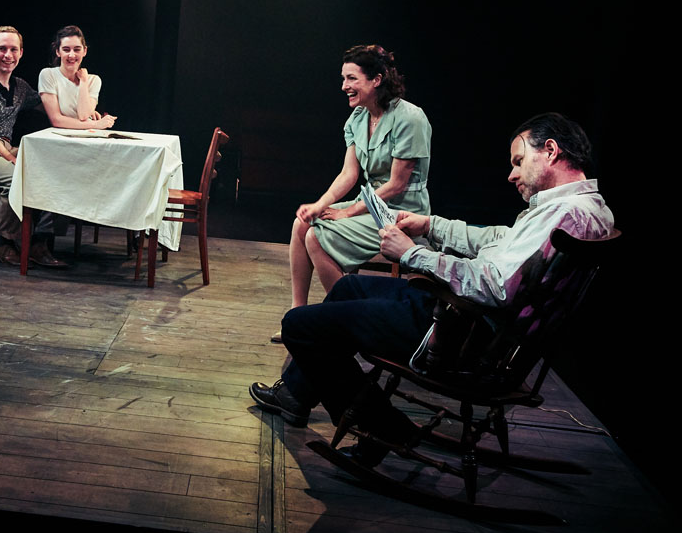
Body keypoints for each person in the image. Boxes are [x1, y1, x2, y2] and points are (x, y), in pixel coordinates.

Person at [250, 112, 614, 465]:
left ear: (550, 151)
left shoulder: (565, 215)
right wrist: (429, 226)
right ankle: (296, 395)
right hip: (471, 323)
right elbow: (499, 240)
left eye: (519, 162)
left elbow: (494, 286)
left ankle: (385, 427)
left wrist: (413, 255)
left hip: (459, 333)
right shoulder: (586, 208)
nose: (511, 174)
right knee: (349, 289)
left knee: (299, 326)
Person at [276, 44, 432, 343]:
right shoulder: (358, 119)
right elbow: (349, 174)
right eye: (343, 78)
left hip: (400, 212)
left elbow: (396, 185)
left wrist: (347, 212)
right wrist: (318, 205)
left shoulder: (409, 118)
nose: (344, 86)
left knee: (317, 237)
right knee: (303, 224)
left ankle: (345, 323)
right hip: (371, 205)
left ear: (376, 79)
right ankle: (297, 315)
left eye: (351, 79)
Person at [0, 26, 66, 267]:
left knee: (56, 172)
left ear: (21, 53)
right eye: (2, 49)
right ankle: (4, 241)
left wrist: (86, 113)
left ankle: (39, 240)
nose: (8, 55)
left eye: (13, 49)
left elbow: (52, 108)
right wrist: (8, 156)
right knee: (17, 176)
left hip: (5, 146)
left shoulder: (20, 87)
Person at [38, 25, 117, 129]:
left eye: (77, 49)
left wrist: (83, 82)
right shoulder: (48, 74)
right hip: (59, 137)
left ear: (84, 51)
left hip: (88, 136)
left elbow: (84, 115)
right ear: (58, 51)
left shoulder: (94, 80)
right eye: (66, 50)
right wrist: (96, 124)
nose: (71, 55)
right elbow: (56, 120)